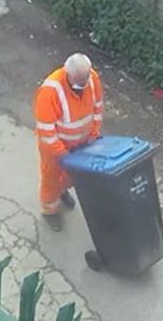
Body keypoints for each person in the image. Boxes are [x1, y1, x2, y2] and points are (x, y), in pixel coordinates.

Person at [34, 53, 103, 230]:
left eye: (84, 81)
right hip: (55, 147)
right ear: (67, 73)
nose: (82, 86)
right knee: (51, 178)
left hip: (81, 143)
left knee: (72, 174)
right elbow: (47, 131)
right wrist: (62, 153)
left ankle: (62, 191)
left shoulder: (92, 78)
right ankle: (50, 212)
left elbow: (97, 108)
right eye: (78, 82)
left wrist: (93, 134)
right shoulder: (50, 91)